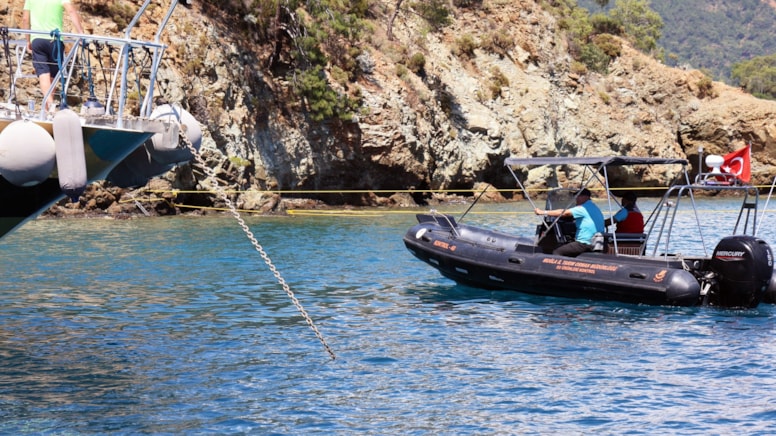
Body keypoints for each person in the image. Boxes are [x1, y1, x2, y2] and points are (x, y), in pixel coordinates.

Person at [23, 0, 85, 112]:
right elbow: (71, 11)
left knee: (43, 73)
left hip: (38, 39)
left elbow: (25, 19)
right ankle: (49, 106)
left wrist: (28, 40)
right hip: (55, 40)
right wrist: (80, 32)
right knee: (52, 76)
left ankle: (49, 106)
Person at [534, 188, 605, 257]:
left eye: (577, 196)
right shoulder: (594, 207)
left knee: (557, 252)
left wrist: (542, 212)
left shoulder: (583, 208)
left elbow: (563, 213)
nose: (575, 199)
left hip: (584, 243)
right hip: (595, 242)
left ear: (585, 197)